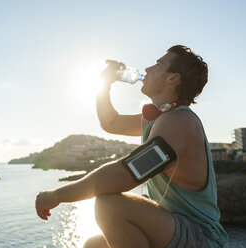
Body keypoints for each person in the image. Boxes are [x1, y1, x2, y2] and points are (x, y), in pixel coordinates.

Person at [35, 45, 228, 248]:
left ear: (173, 78)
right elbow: (111, 122)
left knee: (110, 205)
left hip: (201, 238)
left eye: (158, 65)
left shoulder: (180, 122)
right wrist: (104, 83)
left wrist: (58, 195)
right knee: (93, 245)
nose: (147, 68)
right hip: (171, 227)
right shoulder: (160, 116)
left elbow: (127, 174)